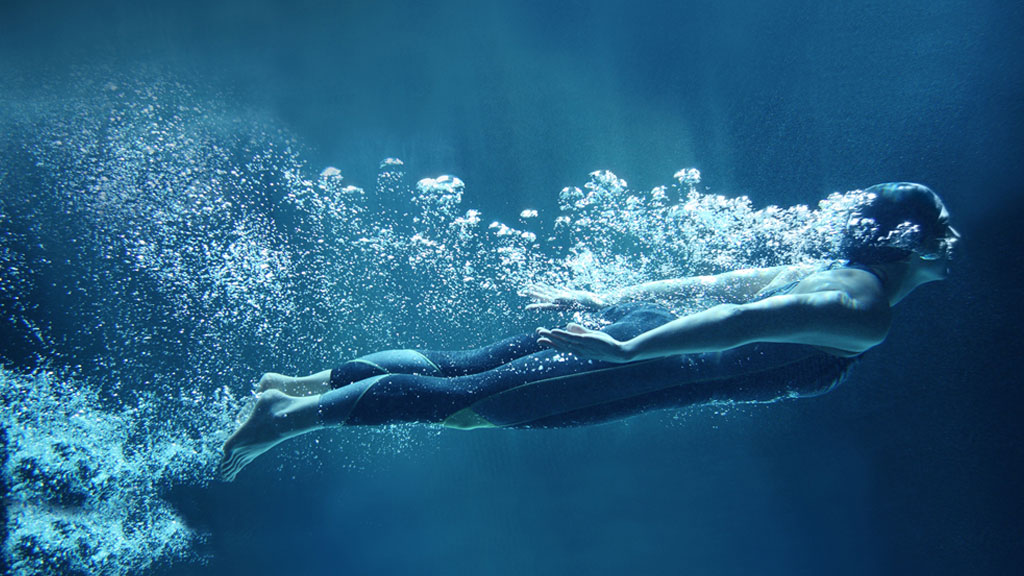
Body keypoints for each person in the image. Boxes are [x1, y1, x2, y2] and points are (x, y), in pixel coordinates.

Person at [220, 182, 960, 481]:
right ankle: (286, 417)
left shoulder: (829, 271)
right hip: (643, 362)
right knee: (475, 403)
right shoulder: (865, 310)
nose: (953, 237)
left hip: (641, 340)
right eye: (943, 228)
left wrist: (611, 300)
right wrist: (627, 346)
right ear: (912, 241)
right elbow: (735, 319)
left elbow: (706, 287)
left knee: (459, 366)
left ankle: (301, 385)